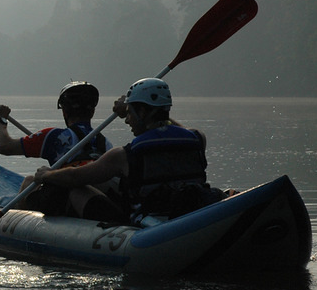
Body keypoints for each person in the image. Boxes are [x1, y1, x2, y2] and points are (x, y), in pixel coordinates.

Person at [32, 78, 225, 225]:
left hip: (148, 224)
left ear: (142, 113)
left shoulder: (124, 155)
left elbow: (76, 177)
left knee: (76, 191)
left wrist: (48, 174)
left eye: (130, 114)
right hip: (191, 211)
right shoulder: (197, 139)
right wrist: (130, 107)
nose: (127, 120)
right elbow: (179, 130)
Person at [0, 81, 113, 216]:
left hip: (64, 202)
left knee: (29, 181)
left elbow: (4, 146)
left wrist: (0, 120)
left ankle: (19, 217)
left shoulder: (53, 137)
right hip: (95, 201)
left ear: (65, 112)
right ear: (92, 111)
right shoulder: (106, 144)